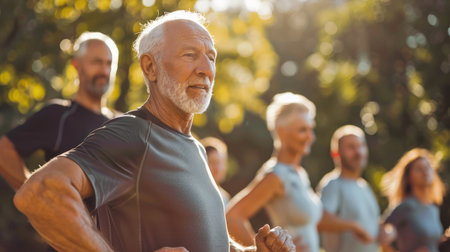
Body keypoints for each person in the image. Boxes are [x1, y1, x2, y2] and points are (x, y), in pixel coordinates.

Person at [13, 11, 295, 252]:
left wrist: (251, 250)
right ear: (150, 67)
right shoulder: (133, 133)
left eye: (211, 57)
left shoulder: (194, 147)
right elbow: (40, 193)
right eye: (190, 55)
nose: (206, 69)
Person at [226, 92, 373, 252]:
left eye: (311, 129)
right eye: (303, 130)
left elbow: (316, 218)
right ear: (282, 132)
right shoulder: (275, 175)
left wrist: (353, 226)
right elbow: (232, 217)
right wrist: (260, 249)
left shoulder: (299, 173)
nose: (310, 137)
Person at [0, 31, 119, 191]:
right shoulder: (58, 116)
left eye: (109, 63)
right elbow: (4, 152)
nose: (104, 71)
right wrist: (36, 197)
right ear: (77, 66)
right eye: (97, 62)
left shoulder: (121, 123)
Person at [316, 125, 380, 252]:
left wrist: (388, 232)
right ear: (336, 153)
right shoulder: (333, 184)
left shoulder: (365, 187)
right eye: (351, 147)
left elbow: (374, 227)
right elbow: (319, 219)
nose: (358, 152)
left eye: (361, 146)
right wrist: (354, 226)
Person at [381, 148, 446, 252]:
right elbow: (382, 234)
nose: (425, 172)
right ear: (408, 177)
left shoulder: (433, 209)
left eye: (427, 167)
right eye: (419, 169)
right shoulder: (405, 206)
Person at [201, 136, 231, 206]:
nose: (218, 169)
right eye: (213, 162)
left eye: (221, 163)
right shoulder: (195, 194)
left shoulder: (225, 198)